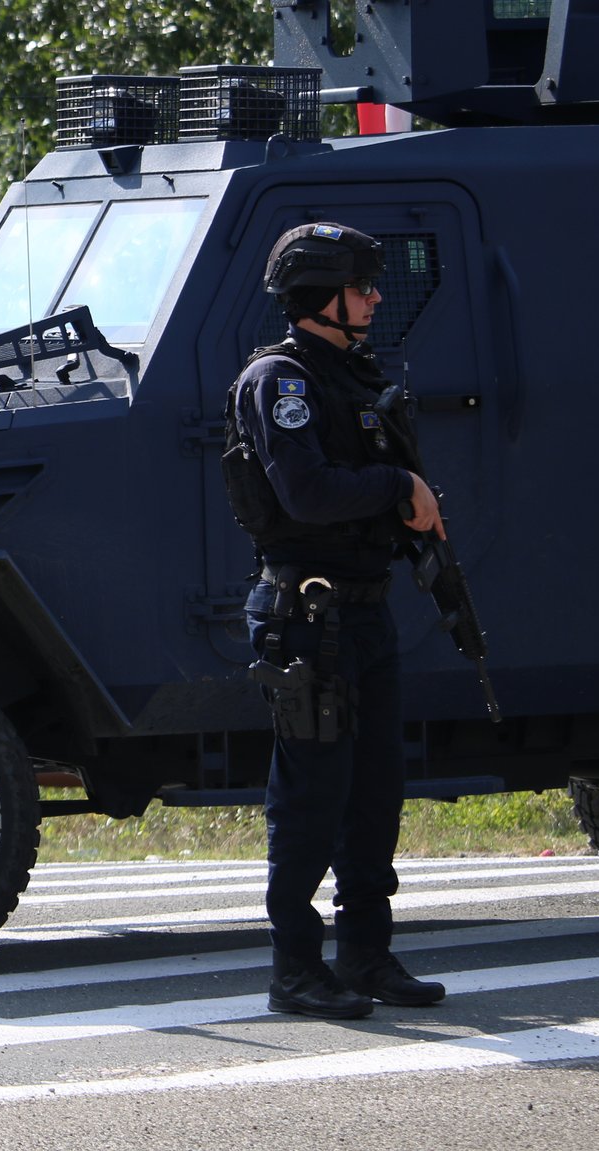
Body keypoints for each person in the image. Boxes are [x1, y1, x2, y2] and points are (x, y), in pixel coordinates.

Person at [223, 223, 449, 1019]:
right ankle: (295, 967)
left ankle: (365, 953)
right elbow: (307, 493)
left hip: (362, 610)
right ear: (322, 298)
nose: (377, 298)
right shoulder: (281, 382)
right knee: (312, 795)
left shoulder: (350, 376)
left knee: (376, 790)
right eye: (362, 287)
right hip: (305, 617)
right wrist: (396, 486)